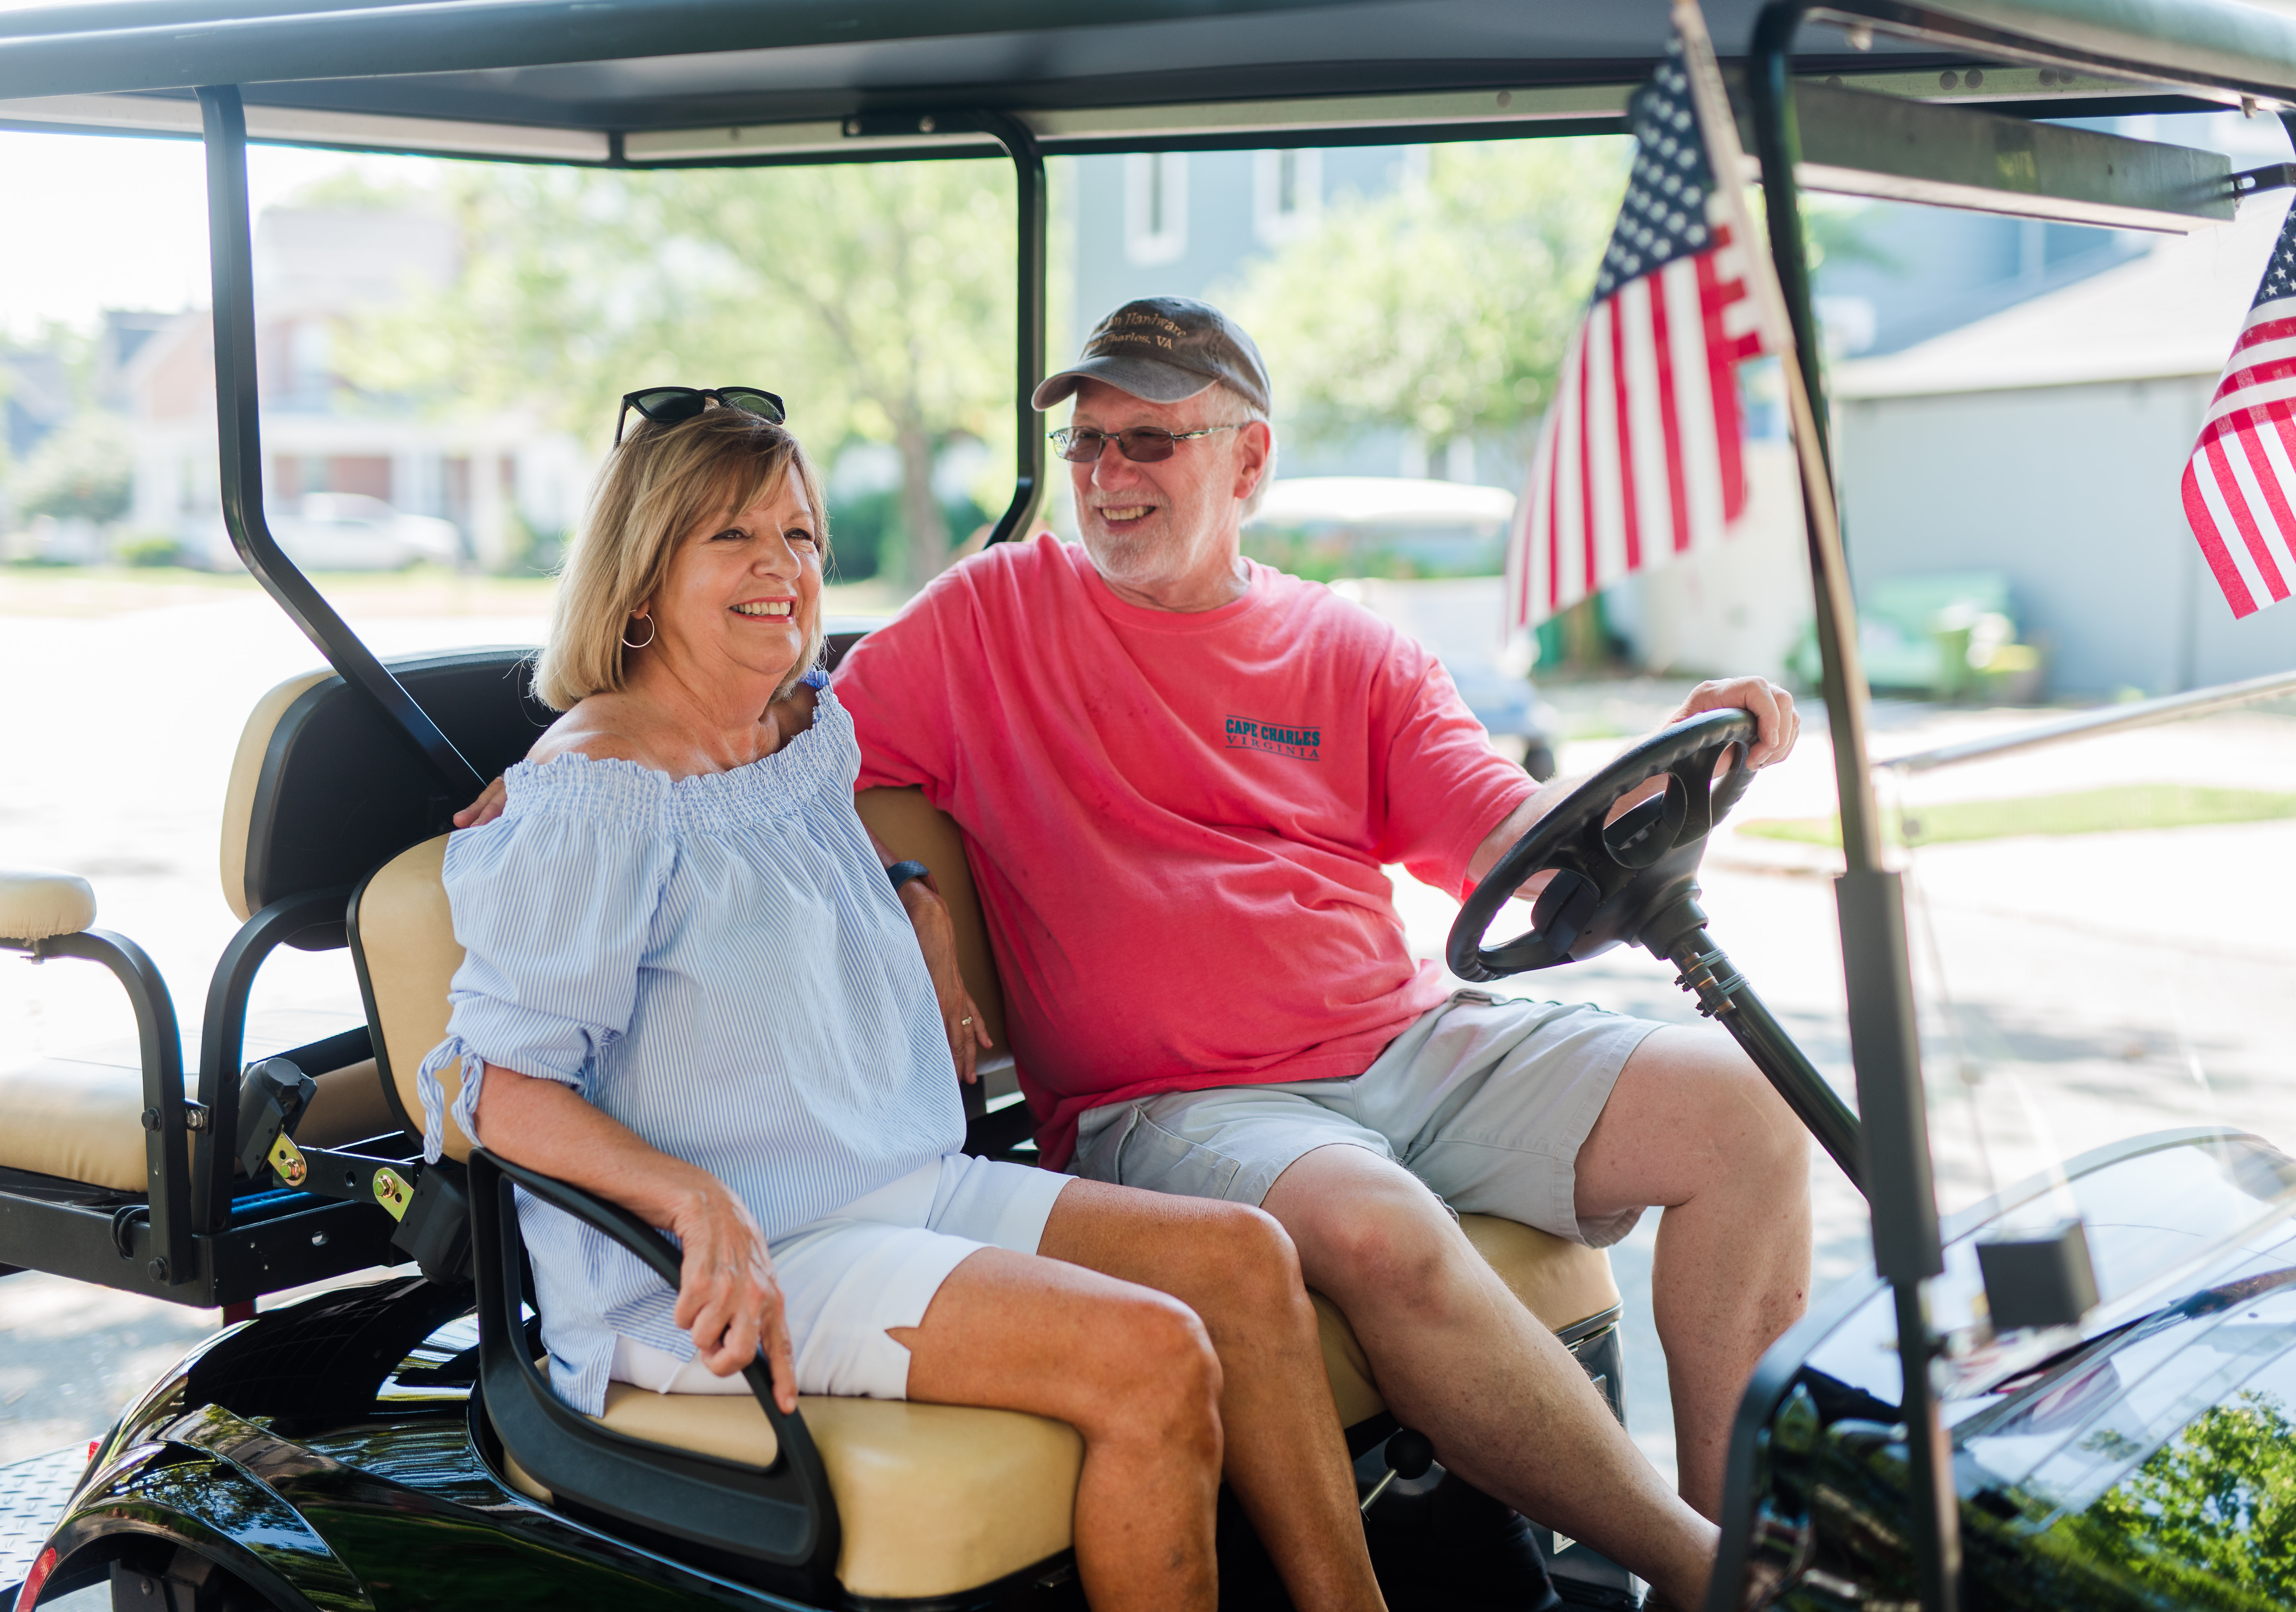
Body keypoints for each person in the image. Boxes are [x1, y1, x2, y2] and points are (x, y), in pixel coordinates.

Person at [831, 300, 1809, 1610]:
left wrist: (1672, 765)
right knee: (1379, 1229)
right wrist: (910, 896)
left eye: (1150, 444)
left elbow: (1507, 827)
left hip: (1403, 1046)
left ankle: (1743, 1527)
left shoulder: (1350, 647)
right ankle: (1712, 1583)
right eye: (1089, 446)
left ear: (1247, 463)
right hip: (1174, 1103)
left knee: (1746, 1109)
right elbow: (786, 756)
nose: (1109, 478)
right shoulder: (993, 615)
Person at [422, 395, 1386, 1612]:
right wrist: (696, 1199)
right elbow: (497, 1088)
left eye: (803, 536)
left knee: (1247, 1261)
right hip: (729, 1264)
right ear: (641, 579)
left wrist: (912, 894)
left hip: (897, 1183)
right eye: (733, 537)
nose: (784, 570)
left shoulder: (792, 730)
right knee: (1150, 1356)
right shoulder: (596, 793)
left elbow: (777, 897)